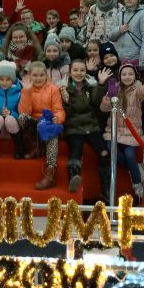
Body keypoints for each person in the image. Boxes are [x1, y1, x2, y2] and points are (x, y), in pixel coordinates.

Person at [101, 62, 144, 202]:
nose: (127, 77)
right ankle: (133, 168)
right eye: (124, 74)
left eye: (130, 74)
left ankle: (138, 186)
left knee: (130, 154)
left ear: (135, 76)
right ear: (120, 76)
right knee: (112, 150)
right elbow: (104, 108)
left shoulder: (137, 89)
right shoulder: (116, 88)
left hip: (132, 131)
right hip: (114, 130)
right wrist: (109, 96)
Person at [60, 60, 108, 193]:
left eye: (82, 70)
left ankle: (106, 188)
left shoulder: (90, 85)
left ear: (86, 72)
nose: (79, 73)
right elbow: (66, 114)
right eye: (75, 70)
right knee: (76, 148)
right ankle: (73, 178)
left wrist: (101, 84)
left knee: (104, 152)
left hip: (91, 126)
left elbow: (96, 102)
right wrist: (66, 102)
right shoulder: (64, 88)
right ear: (70, 72)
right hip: (73, 127)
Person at [18, 61, 66, 190]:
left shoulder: (53, 89)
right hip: (35, 123)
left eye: (41, 75)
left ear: (46, 75)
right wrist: (27, 91)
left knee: (52, 133)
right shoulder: (26, 88)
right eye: (35, 75)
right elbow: (24, 112)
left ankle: (50, 175)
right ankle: (36, 148)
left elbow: (58, 109)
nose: (38, 78)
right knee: (22, 118)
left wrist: (58, 118)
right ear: (30, 76)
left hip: (49, 122)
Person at [108, 0, 144, 73]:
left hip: (135, 59)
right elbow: (111, 36)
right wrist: (119, 30)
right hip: (119, 59)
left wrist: (143, 62)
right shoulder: (120, 14)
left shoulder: (143, 14)